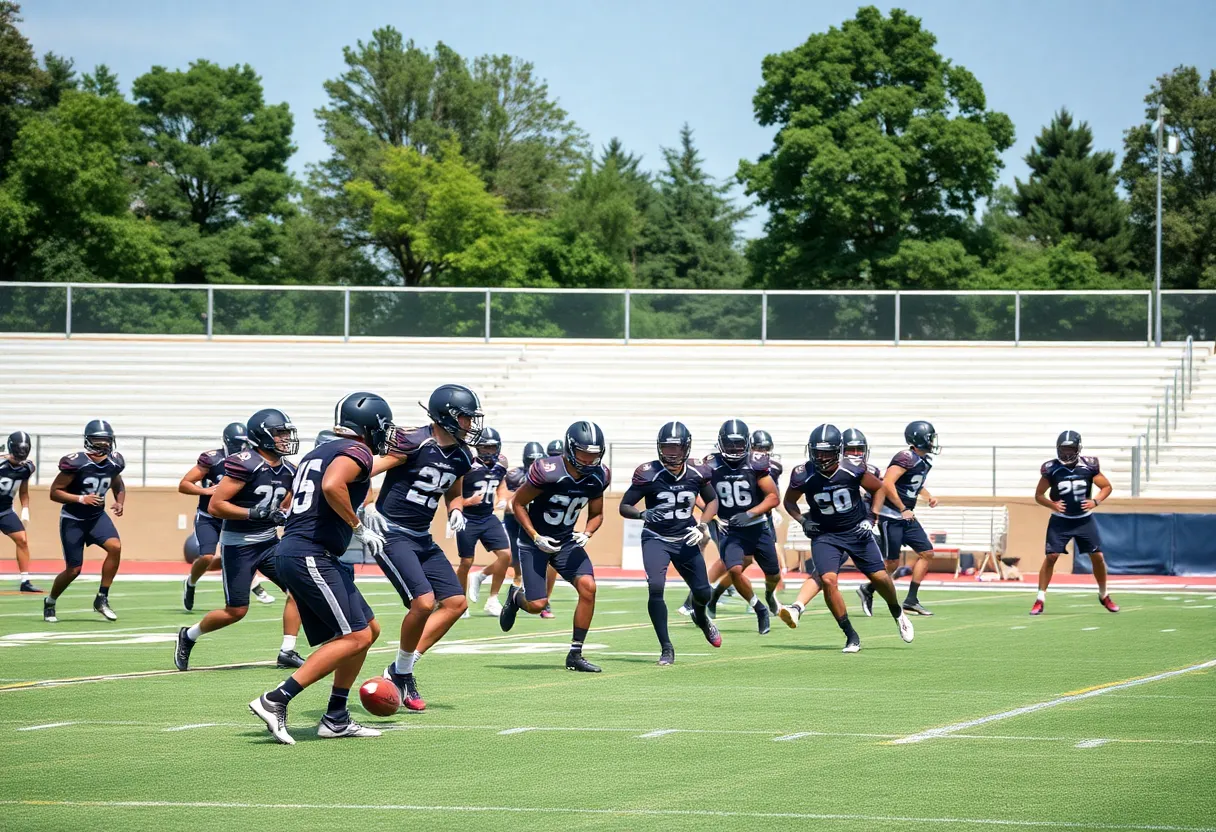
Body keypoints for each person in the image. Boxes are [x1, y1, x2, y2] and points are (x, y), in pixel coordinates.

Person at [248, 392, 392, 745]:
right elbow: (331, 485)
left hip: (306, 551)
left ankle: (336, 717)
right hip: (309, 553)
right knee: (354, 636)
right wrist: (357, 526)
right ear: (369, 425)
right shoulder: (355, 450)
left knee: (368, 631)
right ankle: (275, 699)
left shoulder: (319, 452)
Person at [363, 384, 481, 711]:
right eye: (466, 418)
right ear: (447, 416)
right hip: (391, 533)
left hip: (421, 536)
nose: (471, 425)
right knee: (424, 602)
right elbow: (362, 470)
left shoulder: (461, 454)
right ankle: (402, 671)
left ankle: (401, 669)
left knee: (456, 602)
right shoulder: (412, 441)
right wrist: (368, 504)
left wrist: (455, 509)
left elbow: (453, 491)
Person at [174, 409, 303, 671]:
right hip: (239, 546)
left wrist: (281, 513)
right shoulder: (245, 463)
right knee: (236, 611)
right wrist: (253, 512)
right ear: (263, 436)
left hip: (269, 543)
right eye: (280, 433)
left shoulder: (289, 469)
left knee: (299, 591)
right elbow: (216, 506)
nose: (285, 439)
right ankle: (188, 636)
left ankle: (287, 650)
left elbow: (284, 502)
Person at [781, 424, 914, 652]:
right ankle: (851, 635)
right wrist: (804, 521)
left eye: (827, 452)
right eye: (818, 451)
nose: (822, 457)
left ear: (839, 450)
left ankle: (897, 612)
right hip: (825, 535)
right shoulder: (803, 473)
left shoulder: (853, 468)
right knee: (829, 581)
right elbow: (789, 502)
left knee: (881, 578)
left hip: (855, 531)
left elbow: (880, 489)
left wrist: (871, 518)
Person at [499, 421, 609, 672]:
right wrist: (535, 536)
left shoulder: (599, 475)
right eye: (584, 453)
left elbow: (597, 513)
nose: (590, 459)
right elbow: (518, 504)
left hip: (566, 540)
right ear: (571, 449)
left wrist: (588, 532)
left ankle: (575, 654)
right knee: (537, 604)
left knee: (588, 587)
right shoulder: (547, 470)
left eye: (594, 454)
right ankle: (516, 597)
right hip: (534, 542)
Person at [619, 421, 721, 665]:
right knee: (656, 586)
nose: (670, 453)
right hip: (656, 537)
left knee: (704, 592)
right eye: (666, 447)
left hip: (686, 536)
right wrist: (642, 514)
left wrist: (702, 525)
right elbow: (624, 506)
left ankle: (701, 616)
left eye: (675, 448)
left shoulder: (698, 471)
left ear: (686, 448)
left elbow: (712, 501)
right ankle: (666, 647)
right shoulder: (648, 472)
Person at [179, 423, 278, 611]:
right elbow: (184, 484)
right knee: (207, 556)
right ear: (227, 442)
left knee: (242, 553)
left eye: (244, 443)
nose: (241, 448)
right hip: (209, 516)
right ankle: (191, 582)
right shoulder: (213, 459)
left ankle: (255, 587)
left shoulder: (251, 461)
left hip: (232, 517)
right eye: (237, 443)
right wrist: (205, 490)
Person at [699, 419, 779, 634]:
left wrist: (750, 513)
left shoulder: (756, 463)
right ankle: (759, 608)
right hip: (730, 529)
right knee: (734, 569)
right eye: (730, 443)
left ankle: (770, 595)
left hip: (757, 526)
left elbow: (773, 497)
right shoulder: (710, 465)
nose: (734, 448)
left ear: (746, 443)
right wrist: (711, 515)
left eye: (738, 443)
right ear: (720, 443)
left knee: (773, 575)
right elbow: (698, 494)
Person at [44, 421, 125, 623]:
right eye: (99, 440)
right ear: (89, 441)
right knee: (74, 570)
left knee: (115, 547)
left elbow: (117, 482)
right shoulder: (76, 463)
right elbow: (54, 493)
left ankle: (102, 597)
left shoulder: (114, 462)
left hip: (96, 517)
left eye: (107, 440)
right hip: (73, 519)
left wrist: (119, 501)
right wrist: (81, 498)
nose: (104, 444)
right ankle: (50, 601)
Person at [857, 421, 940, 617]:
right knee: (891, 564)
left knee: (927, 553)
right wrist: (903, 508)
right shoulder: (905, 457)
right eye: (930, 437)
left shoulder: (924, 461)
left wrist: (928, 496)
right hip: (891, 516)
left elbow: (914, 485)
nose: (933, 441)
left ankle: (911, 600)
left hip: (905, 516)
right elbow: (887, 483)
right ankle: (868, 589)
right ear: (919, 438)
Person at [1032, 431, 1117, 616]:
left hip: (1084, 519)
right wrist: (1052, 504)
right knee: (1052, 557)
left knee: (1098, 557)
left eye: (1071, 448)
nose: (1067, 453)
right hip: (1061, 521)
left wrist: (1095, 501)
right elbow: (1038, 495)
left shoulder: (1089, 466)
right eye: (1064, 449)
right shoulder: (1051, 468)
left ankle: (1104, 595)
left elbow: (1106, 486)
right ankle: (1040, 599)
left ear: (1078, 448)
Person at [458, 427, 513, 617]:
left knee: (506, 555)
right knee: (466, 561)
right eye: (484, 448)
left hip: (488, 516)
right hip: (467, 517)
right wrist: (467, 502)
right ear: (477, 448)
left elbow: (501, 484)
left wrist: (503, 498)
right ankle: (460, 601)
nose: (488, 452)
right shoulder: (466, 464)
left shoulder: (501, 464)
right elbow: (451, 494)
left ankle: (492, 600)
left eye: (491, 448)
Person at [501, 441, 546, 603]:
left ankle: (542, 598)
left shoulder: (548, 475)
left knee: (544, 561)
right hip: (516, 522)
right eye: (531, 460)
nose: (534, 464)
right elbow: (508, 505)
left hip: (538, 521)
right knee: (517, 563)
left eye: (537, 460)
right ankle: (515, 596)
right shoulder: (515, 476)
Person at [1, 431, 39, 592]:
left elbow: (23, 491)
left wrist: (25, 508)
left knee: (22, 540)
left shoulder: (27, 468)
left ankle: (25, 580)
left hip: (5, 511)